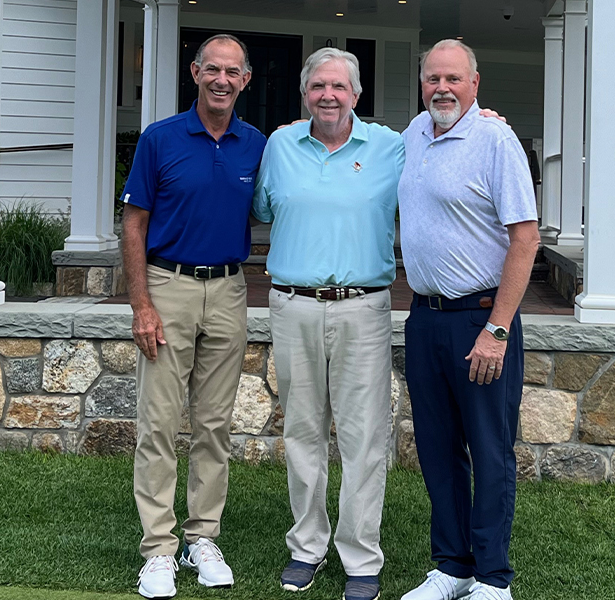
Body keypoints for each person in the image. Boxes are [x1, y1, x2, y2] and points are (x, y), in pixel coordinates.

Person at [252, 47, 403, 600]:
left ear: (356, 95)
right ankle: (306, 547)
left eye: (339, 87)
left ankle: (362, 558)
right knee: (303, 432)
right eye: (318, 86)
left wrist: (485, 117)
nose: (328, 96)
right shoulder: (281, 145)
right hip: (293, 305)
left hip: (363, 306)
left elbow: (442, 155)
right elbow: (264, 209)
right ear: (304, 94)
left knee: (364, 438)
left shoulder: (390, 147)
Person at [119, 34, 266, 600]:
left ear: (245, 80)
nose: (222, 80)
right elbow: (133, 224)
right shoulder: (160, 139)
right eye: (213, 70)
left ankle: (202, 537)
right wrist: (142, 305)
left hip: (229, 289)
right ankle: (158, 548)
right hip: (167, 286)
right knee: (158, 423)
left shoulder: (256, 144)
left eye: (233, 72)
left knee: (214, 423)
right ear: (195, 73)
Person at [396, 40, 540, 600]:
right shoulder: (413, 134)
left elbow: (524, 239)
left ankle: (492, 577)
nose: (442, 88)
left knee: (489, 447)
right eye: (433, 78)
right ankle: (452, 567)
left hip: (481, 320)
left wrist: (498, 329)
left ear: (475, 84)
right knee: (437, 448)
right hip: (425, 318)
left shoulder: (495, 139)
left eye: (453, 78)